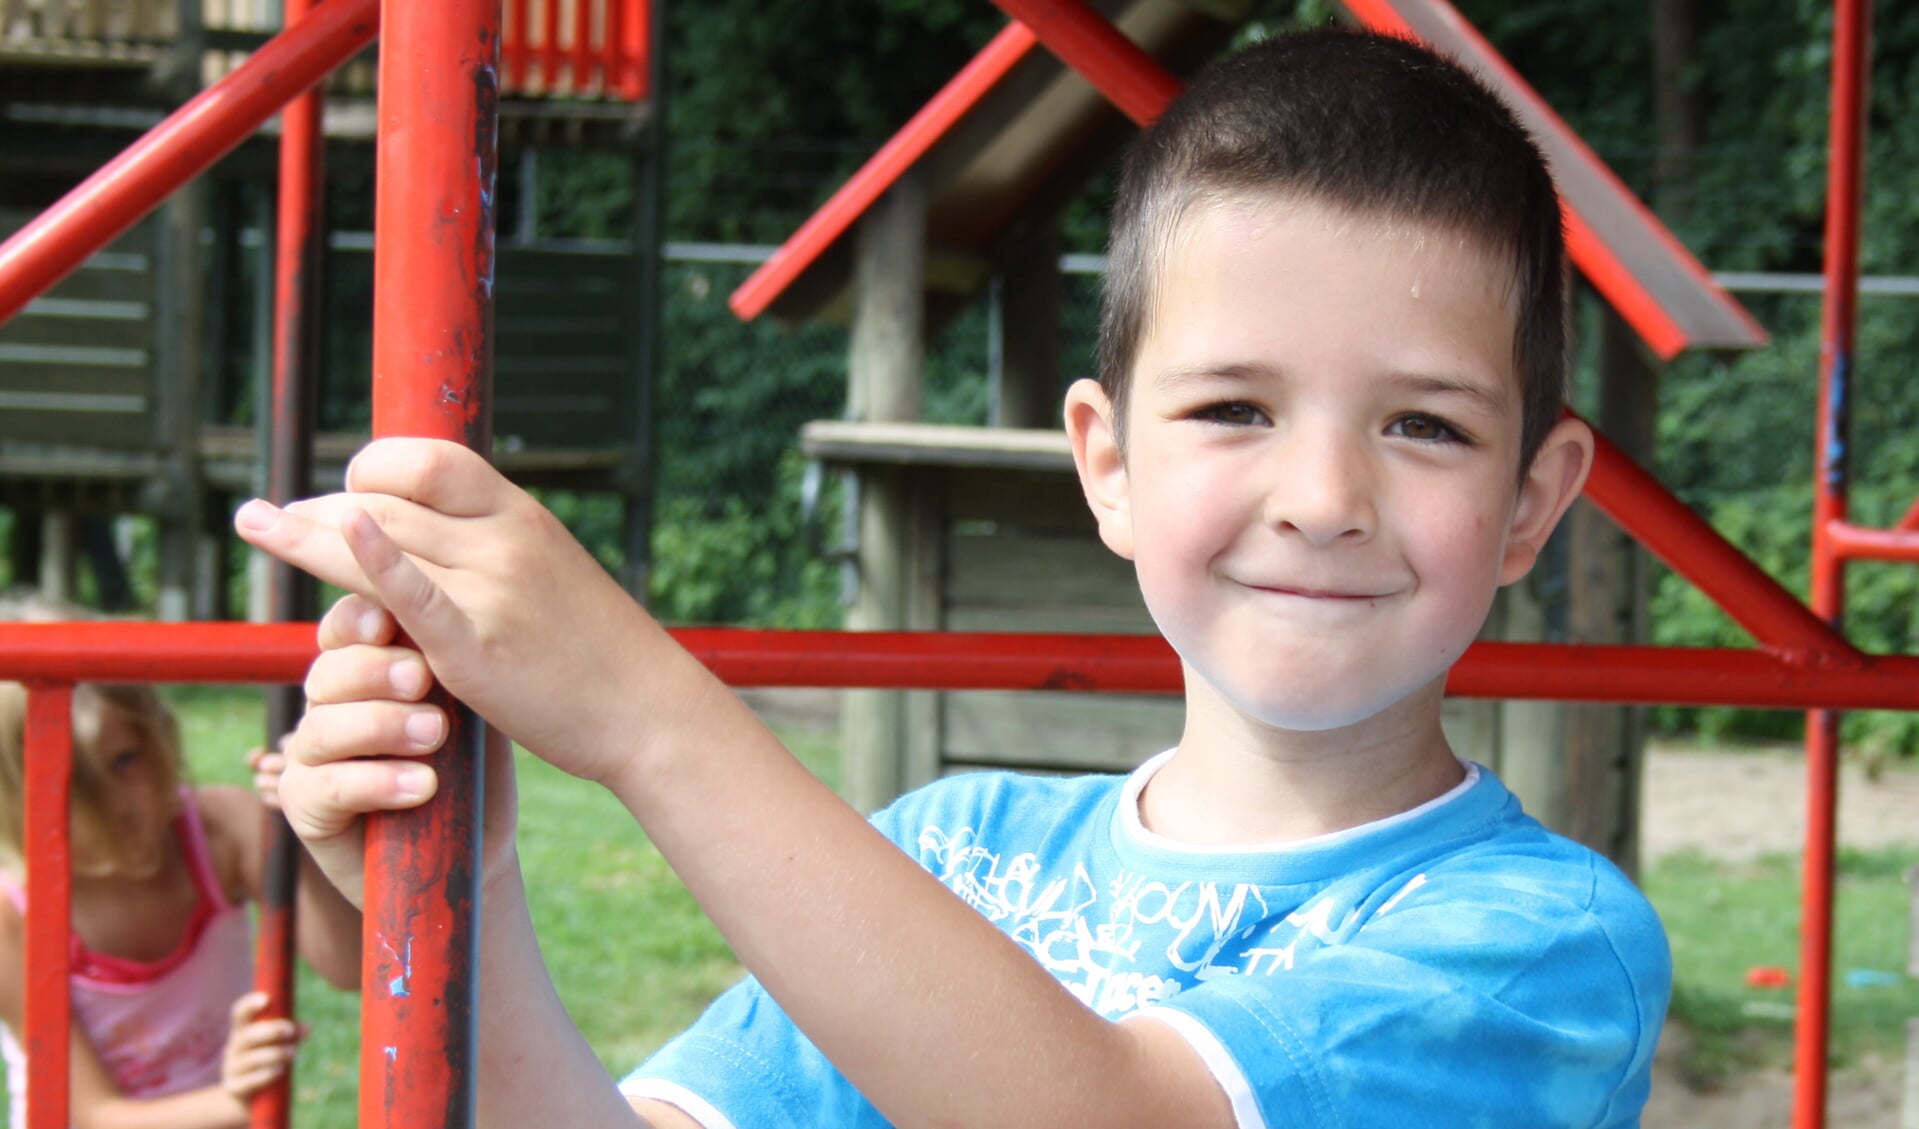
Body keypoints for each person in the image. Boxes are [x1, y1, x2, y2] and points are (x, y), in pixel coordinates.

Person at [236, 27, 1671, 1129]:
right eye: (1233, 408)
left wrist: (642, 713)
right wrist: (472, 903)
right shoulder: (953, 854)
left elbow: (1110, 1114)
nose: (1320, 501)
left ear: (1528, 503)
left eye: (1422, 425)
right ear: (1105, 463)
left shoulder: (1538, 946)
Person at [0, 612, 363, 1128]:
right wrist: (234, 1101)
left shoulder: (223, 830)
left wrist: (306, 831)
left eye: (126, 760)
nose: (116, 803)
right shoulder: (14, 915)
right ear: (18, 792)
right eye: (75, 780)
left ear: (158, 737)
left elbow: (348, 967)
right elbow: (86, 1114)